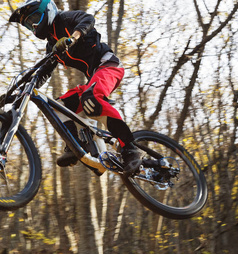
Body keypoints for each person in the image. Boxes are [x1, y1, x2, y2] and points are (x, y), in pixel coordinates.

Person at [8, 0, 142, 176]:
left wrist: (73, 37)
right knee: (58, 107)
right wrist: (17, 93)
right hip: (93, 77)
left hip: (109, 65)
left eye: (33, 18)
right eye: (27, 24)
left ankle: (130, 149)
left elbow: (88, 19)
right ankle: (75, 146)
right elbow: (42, 74)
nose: (33, 26)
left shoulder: (65, 19)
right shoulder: (51, 46)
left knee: (91, 99)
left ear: (46, 10)